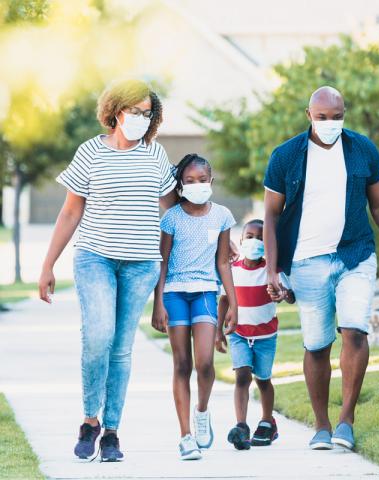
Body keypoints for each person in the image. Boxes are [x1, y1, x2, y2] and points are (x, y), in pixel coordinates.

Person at [263, 86, 379, 451]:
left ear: (344, 114)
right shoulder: (285, 156)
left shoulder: (363, 150)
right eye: (322, 117)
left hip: (355, 254)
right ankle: (321, 425)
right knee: (316, 345)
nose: (330, 124)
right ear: (309, 115)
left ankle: (346, 420)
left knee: (355, 332)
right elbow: (270, 214)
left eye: (337, 117)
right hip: (306, 260)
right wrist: (272, 269)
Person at [38, 79, 177, 461]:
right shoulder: (90, 152)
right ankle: (89, 420)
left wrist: (212, 226)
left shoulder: (155, 155)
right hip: (95, 257)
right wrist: (48, 264)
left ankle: (112, 431)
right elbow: (70, 210)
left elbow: (174, 209)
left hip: (142, 264)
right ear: (116, 111)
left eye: (147, 113)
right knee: (98, 336)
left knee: (121, 349)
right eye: (135, 111)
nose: (141, 119)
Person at [151, 153, 238, 461]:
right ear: (181, 185)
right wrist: (157, 303)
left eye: (202, 180)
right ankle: (185, 436)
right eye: (189, 181)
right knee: (182, 365)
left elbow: (223, 262)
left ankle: (202, 412)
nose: (197, 185)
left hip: (204, 292)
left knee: (204, 363)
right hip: (175, 294)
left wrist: (233, 303)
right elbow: (162, 262)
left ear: (211, 182)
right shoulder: (171, 218)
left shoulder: (223, 216)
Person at [216, 219, 295, 451]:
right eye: (249, 237)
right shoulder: (233, 269)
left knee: (262, 379)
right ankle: (241, 426)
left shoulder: (273, 270)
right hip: (239, 333)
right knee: (242, 377)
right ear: (241, 240)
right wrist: (218, 332)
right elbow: (224, 300)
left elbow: (290, 296)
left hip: (266, 335)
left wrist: (282, 294)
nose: (254, 242)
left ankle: (267, 421)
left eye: (260, 238)